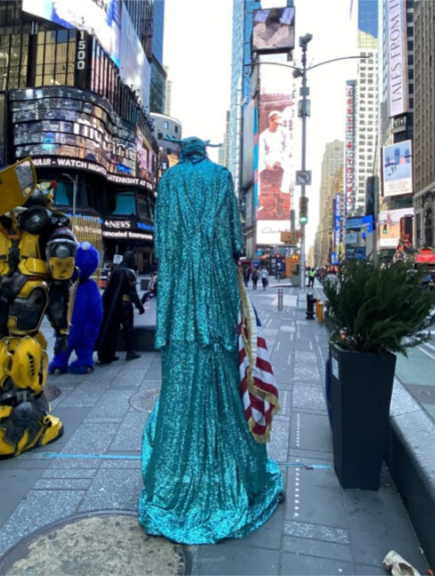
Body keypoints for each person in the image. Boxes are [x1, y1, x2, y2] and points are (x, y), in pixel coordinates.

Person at [139, 136, 281, 545]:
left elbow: (162, 244)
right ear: (207, 153)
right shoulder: (221, 177)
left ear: (183, 155)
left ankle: (174, 478)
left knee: (181, 381)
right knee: (222, 372)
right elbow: (236, 243)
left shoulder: (168, 182)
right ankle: (231, 471)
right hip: (216, 300)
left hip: (181, 300)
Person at [97, 252, 145, 364]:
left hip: (114, 305)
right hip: (125, 305)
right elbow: (133, 293)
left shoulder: (116, 270)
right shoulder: (129, 272)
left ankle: (110, 353)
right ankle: (130, 352)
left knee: (113, 329)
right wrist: (140, 307)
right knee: (128, 329)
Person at [258, 111, 290, 219]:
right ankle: (258, 200)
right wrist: (266, 163)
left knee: (289, 168)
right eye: (276, 122)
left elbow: (288, 148)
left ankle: (282, 194)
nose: (278, 125)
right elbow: (261, 152)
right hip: (269, 156)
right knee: (257, 171)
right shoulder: (263, 135)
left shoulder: (284, 132)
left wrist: (280, 161)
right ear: (270, 121)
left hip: (282, 155)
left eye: (279, 123)